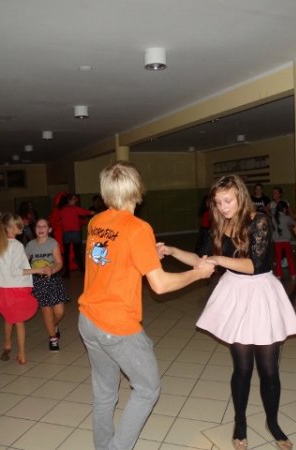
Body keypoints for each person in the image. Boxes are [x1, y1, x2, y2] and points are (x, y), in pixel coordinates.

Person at [78, 161, 214, 450]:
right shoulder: (138, 228)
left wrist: (146, 255)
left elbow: (109, 257)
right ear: (137, 189)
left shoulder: (96, 221)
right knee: (147, 389)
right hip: (116, 326)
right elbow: (160, 285)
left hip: (87, 320)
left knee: (104, 392)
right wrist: (197, 274)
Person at [159, 175, 296, 450]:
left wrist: (218, 259)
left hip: (261, 293)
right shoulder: (220, 224)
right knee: (243, 368)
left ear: (241, 196)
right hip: (235, 294)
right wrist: (172, 250)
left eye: (228, 200)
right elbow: (200, 260)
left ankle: (273, 423)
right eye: (218, 202)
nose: (223, 207)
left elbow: (255, 265)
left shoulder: (259, 220)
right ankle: (240, 423)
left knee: (269, 370)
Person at [0, 213, 51, 365]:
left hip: (2, 292)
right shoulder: (17, 246)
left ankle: (7, 343)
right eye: (18, 225)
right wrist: (38, 270)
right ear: (9, 228)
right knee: (19, 322)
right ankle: (22, 354)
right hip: (16, 290)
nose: (22, 227)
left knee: (9, 318)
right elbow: (15, 271)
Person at [25, 218, 69, 351]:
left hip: (54, 280)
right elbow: (24, 263)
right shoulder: (30, 245)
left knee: (60, 312)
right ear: (35, 229)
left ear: (49, 229)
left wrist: (52, 270)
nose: (41, 229)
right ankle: (52, 338)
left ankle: (54, 325)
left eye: (44, 226)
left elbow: (59, 263)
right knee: (46, 311)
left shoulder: (52, 243)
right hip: (38, 282)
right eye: (38, 226)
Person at [59, 193, 94, 277]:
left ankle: (67, 272)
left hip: (67, 233)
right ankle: (82, 269)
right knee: (77, 252)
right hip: (75, 233)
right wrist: (93, 212)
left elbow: (62, 221)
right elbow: (86, 212)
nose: (76, 201)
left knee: (66, 253)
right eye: (74, 199)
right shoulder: (75, 209)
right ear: (69, 200)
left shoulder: (62, 210)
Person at [272, 200, 296, 281]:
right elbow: (295, 223)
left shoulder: (273, 217)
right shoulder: (287, 218)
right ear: (284, 209)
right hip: (286, 240)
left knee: (278, 259)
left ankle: (279, 275)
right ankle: (293, 274)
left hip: (277, 241)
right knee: (289, 257)